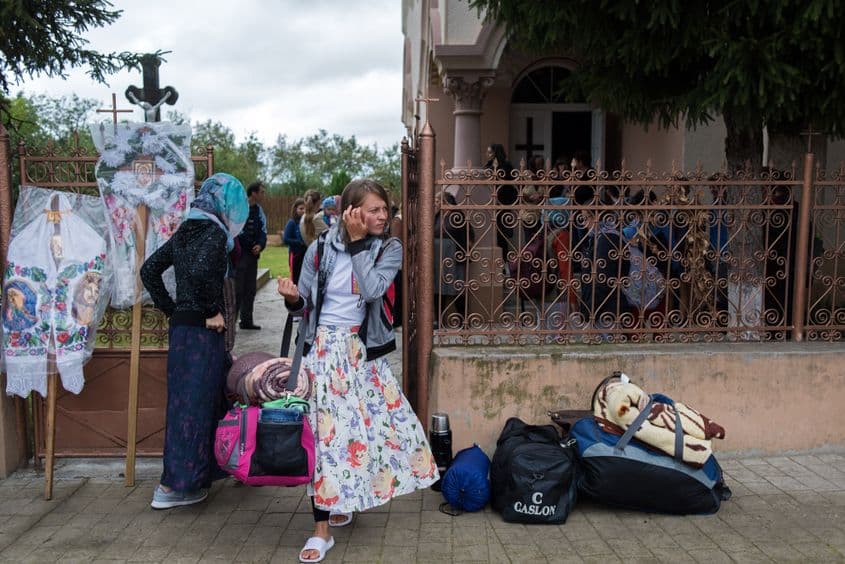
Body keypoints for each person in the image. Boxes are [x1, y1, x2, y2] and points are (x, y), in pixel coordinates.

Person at [277, 179, 438, 563]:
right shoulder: (319, 248)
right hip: (321, 353)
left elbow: (372, 290)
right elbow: (304, 307)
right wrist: (292, 299)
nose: (383, 216)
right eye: (374, 209)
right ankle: (321, 531)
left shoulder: (388, 248)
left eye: (385, 209)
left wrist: (357, 243)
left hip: (361, 355)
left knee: (364, 434)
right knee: (325, 438)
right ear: (351, 212)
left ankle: (345, 496)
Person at [141, 172, 249, 510]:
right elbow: (202, 273)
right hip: (202, 336)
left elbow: (149, 270)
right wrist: (208, 311)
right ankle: (175, 486)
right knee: (192, 408)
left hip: (184, 332)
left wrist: (174, 311)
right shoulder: (214, 233)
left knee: (213, 398)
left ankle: (219, 466)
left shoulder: (188, 228)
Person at [235, 180, 267, 330]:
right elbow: (238, 230)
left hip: (253, 256)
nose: (263, 195)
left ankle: (246, 321)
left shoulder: (259, 211)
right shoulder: (239, 208)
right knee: (238, 290)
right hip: (240, 255)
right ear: (253, 193)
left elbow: (263, 230)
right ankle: (231, 323)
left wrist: (260, 245)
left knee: (250, 289)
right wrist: (251, 245)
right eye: (262, 192)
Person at [284, 198, 307, 284]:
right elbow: (286, 239)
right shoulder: (292, 223)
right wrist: (299, 243)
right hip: (295, 255)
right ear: (295, 209)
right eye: (301, 208)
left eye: (305, 208)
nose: (303, 211)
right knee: (296, 279)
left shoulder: (307, 222)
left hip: (305, 255)